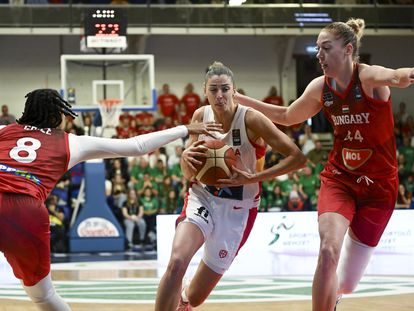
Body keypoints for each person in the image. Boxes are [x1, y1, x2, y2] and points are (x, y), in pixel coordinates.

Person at [234, 18, 414, 311]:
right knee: (328, 249)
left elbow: (395, 76)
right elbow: (287, 115)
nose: (318, 55)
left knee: (347, 283)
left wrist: (408, 73)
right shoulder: (321, 86)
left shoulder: (368, 78)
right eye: (317, 49)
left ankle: (337, 295)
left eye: (325, 48)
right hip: (339, 179)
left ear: (347, 50)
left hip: (379, 189)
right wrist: (241, 100)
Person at [0, 88, 222, 311]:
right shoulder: (71, 142)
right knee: (43, 296)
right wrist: (184, 129)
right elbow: (136, 146)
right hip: (26, 212)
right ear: (57, 116)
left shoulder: (4, 130)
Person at [154, 62, 306, 311]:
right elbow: (188, 175)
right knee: (177, 261)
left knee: (195, 297)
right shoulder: (200, 116)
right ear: (205, 91)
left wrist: (252, 178)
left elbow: (297, 158)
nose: (219, 95)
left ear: (234, 91)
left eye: (225, 89)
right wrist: (184, 158)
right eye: (213, 90)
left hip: (239, 208)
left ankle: (184, 302)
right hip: (202, 197)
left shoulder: (251, 119)